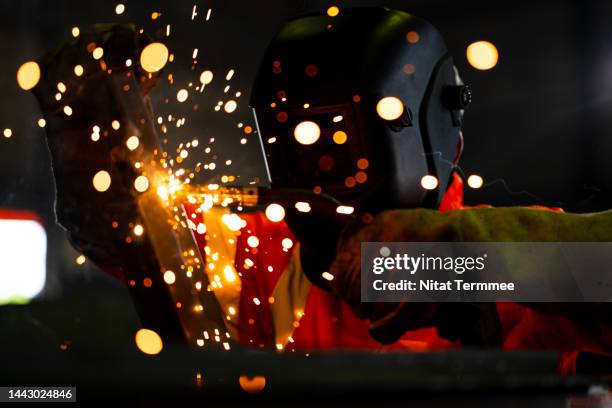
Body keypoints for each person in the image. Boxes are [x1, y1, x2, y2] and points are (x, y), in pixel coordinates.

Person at [32, 9, 612, 376]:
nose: (327, 164)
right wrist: (95, 147)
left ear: (440, 141)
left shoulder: (522, 259)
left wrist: (445, 263)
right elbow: (144, 236)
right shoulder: (273, 252)